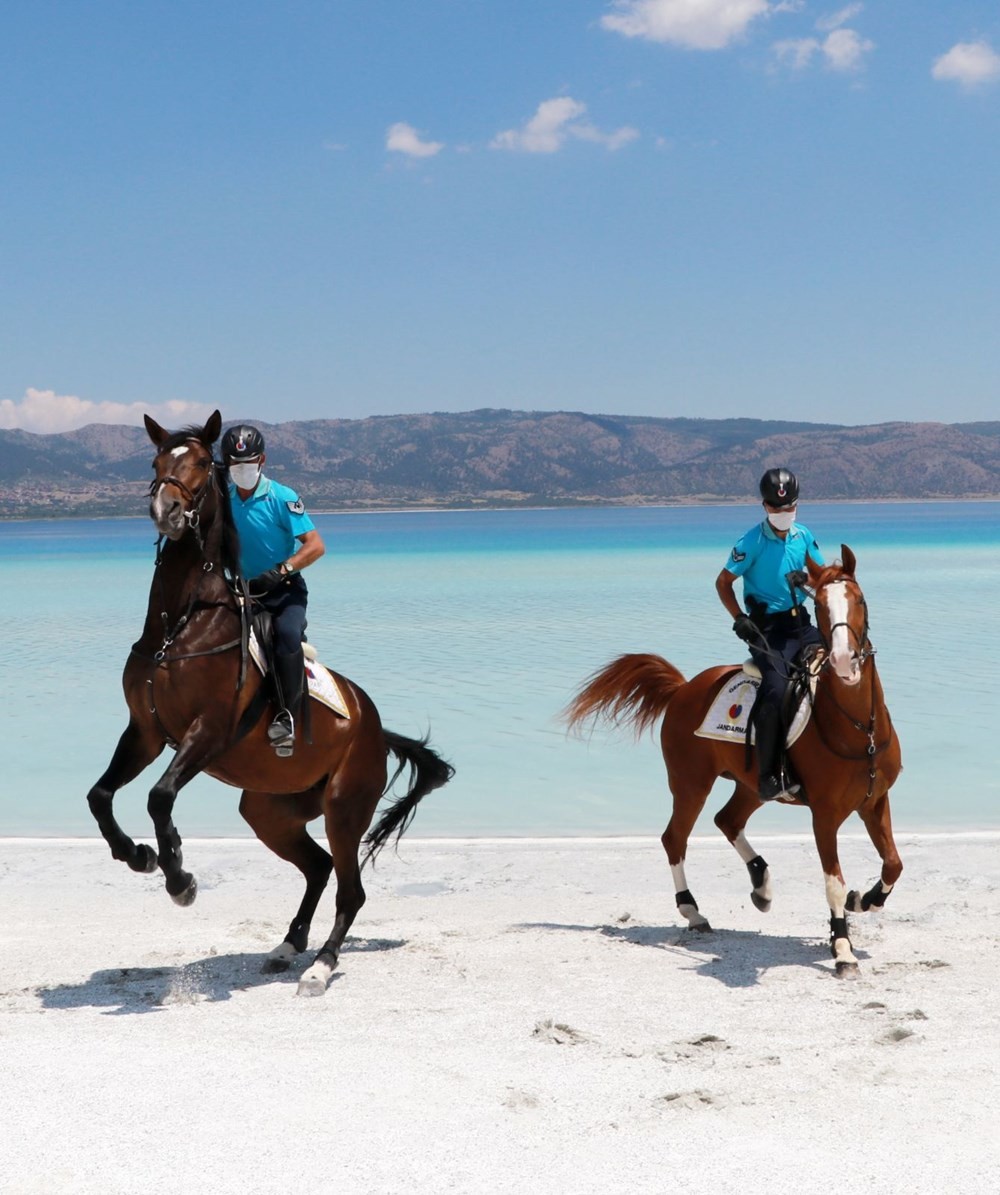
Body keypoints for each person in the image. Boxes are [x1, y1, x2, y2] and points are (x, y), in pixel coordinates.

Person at [715, 467, 826, 801]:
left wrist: (805, 579)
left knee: (845, 666)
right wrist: (739, 619)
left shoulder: (804, 536)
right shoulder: (750, 543)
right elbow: (723, 583)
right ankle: (768, 775)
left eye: (789, 507)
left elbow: (821, 580)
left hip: (801, 625)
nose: (784, 513)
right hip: (767, 631)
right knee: (776, 691)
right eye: (777, 508)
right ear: (765, 506)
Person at [221, 424, 325, 756]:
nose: (241, 471)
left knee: (287, 635)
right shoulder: (222, 499)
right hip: (241, 592)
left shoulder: (283, 497)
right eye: (234, 465)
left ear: (262, 460)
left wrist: (281, 571)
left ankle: (286, 717)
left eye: (247, 464)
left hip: (284, 593)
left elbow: (315, 546)